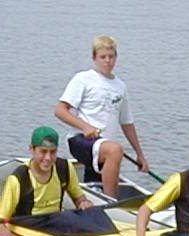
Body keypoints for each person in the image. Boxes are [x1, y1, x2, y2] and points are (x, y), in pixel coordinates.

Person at [55, 35, 149, 198]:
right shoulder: (83, 79)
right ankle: (111, 202)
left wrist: (139, 154)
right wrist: (85, 127)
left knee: (110, 154)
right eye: (103, 57)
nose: (107, 61)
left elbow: (127, 123)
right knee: (115, 150)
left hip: (103, 146)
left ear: (116, 57)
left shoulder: (120, 86)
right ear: (94, 58)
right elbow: (60, 111)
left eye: (111, 57)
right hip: (80, 140)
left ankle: (92, 195)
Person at [0, 126, 97, 236]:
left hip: (57, 220)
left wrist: (83, 203)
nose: (48, 158)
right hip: (31, 224)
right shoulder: (17, 179)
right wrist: (4, 233)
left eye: (53, 152)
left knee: (95, 213)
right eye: (43, 152)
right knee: (67, 217)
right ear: (32, 149)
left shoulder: (65, 167)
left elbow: (79, 198)